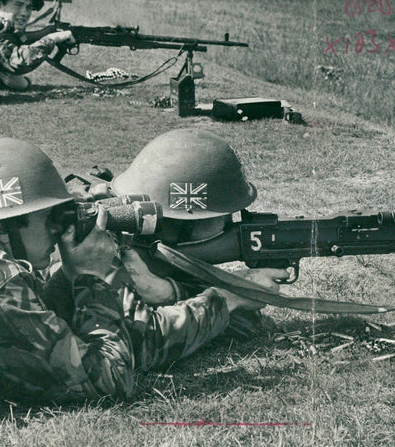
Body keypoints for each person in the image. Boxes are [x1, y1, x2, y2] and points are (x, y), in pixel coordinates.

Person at [0, 137, 274, 421]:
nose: (62, 229)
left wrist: (225, 300)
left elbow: (124, 340)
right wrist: (93, 274)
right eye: (51, 217)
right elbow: (109, 379)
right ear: (2, 229)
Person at [106, 129, 289, 347]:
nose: (228, 223)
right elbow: (145, 340)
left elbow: (243, 321)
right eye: (222, 218)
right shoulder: (100, 251)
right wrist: (232, 294)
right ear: (174, 223)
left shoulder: (121, 234)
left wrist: (169, 291)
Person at [0, 0, 75, 90]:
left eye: (28, 7)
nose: (24, 13)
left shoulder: (7, 28)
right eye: (18, 5)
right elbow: (17, 63)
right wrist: (52, 38)